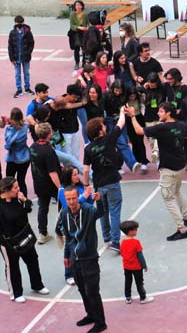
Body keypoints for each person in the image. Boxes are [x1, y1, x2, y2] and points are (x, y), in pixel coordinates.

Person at [126, 102, 187, 241]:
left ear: (168, 113)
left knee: (168, 197)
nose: (158, 113)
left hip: (169, 168)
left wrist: (132, 116)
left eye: (161, 111)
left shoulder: (162, 128)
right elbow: (185, 135)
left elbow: (139, 131)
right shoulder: (182, 125)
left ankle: (181, 229)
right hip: (181, 165)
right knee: (177, 191)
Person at [61, 185, 107, 333]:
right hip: (75, 259)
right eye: (68, 199)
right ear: (65, 199)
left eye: (74, 198)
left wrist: (99, 201)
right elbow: (68, 237)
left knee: (92, 291)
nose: (72, 201)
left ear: (78, 197)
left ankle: (101, 323)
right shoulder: (64, 213)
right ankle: (91, 315)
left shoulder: (87, 209)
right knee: (82, 289)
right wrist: (67, 256)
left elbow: (101, 212)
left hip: (89, 259)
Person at [0, 177, 49, 303]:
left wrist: (24, 199)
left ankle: (37, 285)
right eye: (15, 188)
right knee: (12, 266)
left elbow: (28, 208)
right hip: (8, 242)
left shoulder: (18, 199)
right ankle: (16, 293)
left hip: (24, 237)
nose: (18, 189)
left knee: (33, 260)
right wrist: (5, 242)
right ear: (6, 190)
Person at [83, 113, 127, 253]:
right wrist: (122, 111)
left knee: (103, 211)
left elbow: (85, 170)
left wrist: (86, 185)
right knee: (114, 211)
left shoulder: (88, 149)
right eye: (103, 125)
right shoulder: (109, 139)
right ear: (100, 130)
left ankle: (106, 237)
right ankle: (115, 241)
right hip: (113, 181)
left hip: (98, 184)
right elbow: (121, 123)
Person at [29, 122, 61, 244]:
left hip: (38, 182)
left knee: (43, 208)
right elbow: (52, 172)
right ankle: (62, 231)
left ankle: (42, 233)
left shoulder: (33, 147)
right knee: (62, 206)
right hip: (50, 184)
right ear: (48, 134)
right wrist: (60, 188)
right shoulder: (48, 151)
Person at [102, 79, 140, 173]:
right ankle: (132, 163)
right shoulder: (106, 96)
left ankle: (119, 165)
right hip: (110, 120)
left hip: (122, 119)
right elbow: (102, 109)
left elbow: (137, 90)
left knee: (123, 142)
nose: (118, 93)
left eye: (120, 90)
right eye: (116, 90)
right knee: (121, 142)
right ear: (112, 89)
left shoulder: (125, 93)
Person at [119, 220, 154, 304]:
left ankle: (128, 297)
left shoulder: (123, 242)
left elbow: (122, 253)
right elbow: (140, 256)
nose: (136, 231)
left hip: (126, 266)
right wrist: (144, 265)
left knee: (128, 282)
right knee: (139, 283)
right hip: (136, 267)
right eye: (135, 229)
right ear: (130, 231)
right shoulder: (136, 242)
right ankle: (143, 298)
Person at [5, 108, 30, 197]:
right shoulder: (26, 126)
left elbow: (7, 146)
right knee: (21, 180)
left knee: (9, 181)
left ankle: (9, 200)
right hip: (25, 158)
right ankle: (24, 200)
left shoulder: (10, 130)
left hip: (13, 159)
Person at [8, 15, 35, 98]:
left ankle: (27, 88)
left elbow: (32, 43)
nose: (19, 24)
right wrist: (11, 58)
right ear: (15, 23)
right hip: (16, 58)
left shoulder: (27, 32)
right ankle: (19, 89)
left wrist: (28, 52)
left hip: (26, 57)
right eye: (17, 23)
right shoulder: (12, 33)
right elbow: (10, 46)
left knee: (26, 73)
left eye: (20, 23)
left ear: (23, 23)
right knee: (17, 74)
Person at [124, 87, 148, 174]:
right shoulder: (124, 101)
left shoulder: (140, 99)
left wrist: (139, 87)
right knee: (133, 142)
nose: (132, 98)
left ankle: (144, 161)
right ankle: (136, 160)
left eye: (134, 95)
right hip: (129, 121)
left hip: (139, 119)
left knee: (140, 141)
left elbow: (145, 91)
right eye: (131, 96)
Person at [69, 0, 89, 70]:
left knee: (84, 49)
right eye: (76, 5)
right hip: (76, 34)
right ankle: (77, 63)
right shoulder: (72, 14)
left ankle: (84, 62)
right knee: (76, 49)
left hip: (84, 33)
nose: (78, 6)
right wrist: (78, 27)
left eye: (79, 5)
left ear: (82, 6)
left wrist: (87, 28)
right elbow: (71, 25)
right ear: (74, 6)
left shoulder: (85, 14)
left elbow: (88, 23)